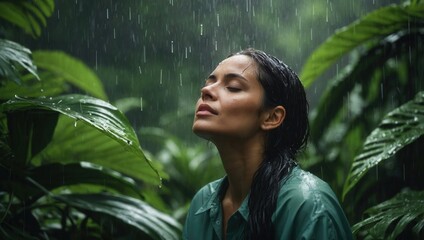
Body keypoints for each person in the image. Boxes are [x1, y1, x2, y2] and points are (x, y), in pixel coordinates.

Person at [183, 48, 353, 240]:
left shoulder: (307, 204)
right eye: (209, 83)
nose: (206, 90)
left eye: (233, 87)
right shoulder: (203, 205)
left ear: (272, 117)